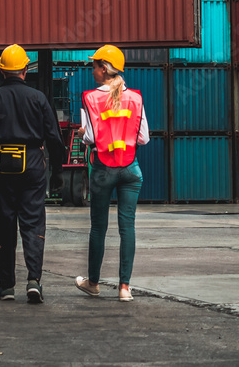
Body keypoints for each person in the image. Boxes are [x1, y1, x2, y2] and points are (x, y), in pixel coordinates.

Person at [0, 44, 66, 303]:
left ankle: (6, 287)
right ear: (25, 69)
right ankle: (34, 281)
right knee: (32, 223)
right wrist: (58, 171)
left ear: (2, 71)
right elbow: (54, 139)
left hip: (2, 167)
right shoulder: (38, 98)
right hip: (33, 165)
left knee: (4, 225)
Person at [74, 45, 149, 302]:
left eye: (94, 66)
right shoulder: (136, 98)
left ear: (104, 69)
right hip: (130, 169)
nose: (92, 70)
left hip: (104, 169)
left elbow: (92, 137)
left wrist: (84, 134)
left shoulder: (90, 98)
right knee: (127, 228)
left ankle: (93, 283)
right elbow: (144, 138)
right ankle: (125, 288)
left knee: (99, 228)